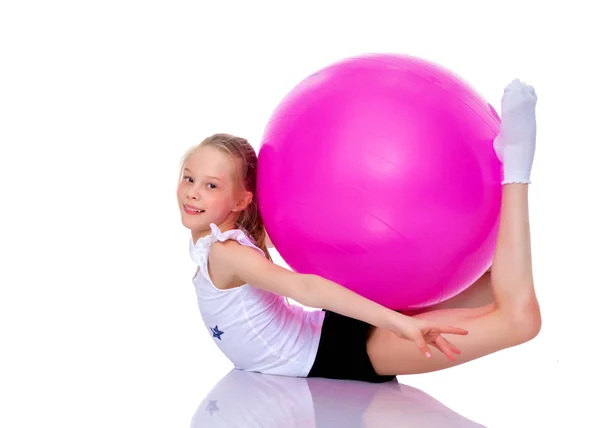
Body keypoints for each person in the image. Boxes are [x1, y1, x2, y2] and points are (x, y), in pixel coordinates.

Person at [177, 79, 541, 383]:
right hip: (334, 337)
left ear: (242, 200)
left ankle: (517, 168)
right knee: (495, 294)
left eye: (211, 185)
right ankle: (509, 159)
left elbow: (306, 287)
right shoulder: (231, 243)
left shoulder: (225, 252)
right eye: (189, 178)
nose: (193, 191)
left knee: (519, 321)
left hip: (334, 351)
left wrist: (397, 322)